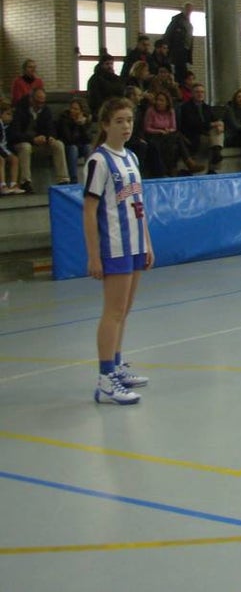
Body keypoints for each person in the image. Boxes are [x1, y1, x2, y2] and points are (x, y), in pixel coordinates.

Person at [84, 97, 154, 405]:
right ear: (105, 125)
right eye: (119, 121)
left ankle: (116, 364)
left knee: (124, 310)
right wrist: (93, 254)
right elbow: (89, 211)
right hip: (114, 245)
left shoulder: (132, 157)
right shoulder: (99, 161)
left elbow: (138, 206)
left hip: (136, 243)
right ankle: (105, 380)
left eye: (129, 120)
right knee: (112, 312)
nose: (126, 126)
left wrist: (147, 242)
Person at [12, 87, 69, 191]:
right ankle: (25, 181)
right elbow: (15, 134)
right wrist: (32, 139)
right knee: (26, 147)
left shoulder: (45, 110)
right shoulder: (20, 110)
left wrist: (50, 137)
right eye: (37, 102)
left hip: (40, 143)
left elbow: (51, 128)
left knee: (58, 144)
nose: (40, 105)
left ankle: (63, 179)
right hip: (23, 143)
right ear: (31, 99)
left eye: (42, 103)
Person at [178, 83, 226, 173]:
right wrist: (212, 124)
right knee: (213, 137)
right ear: (192, 94)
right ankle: (214, 163)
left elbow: (216, 119)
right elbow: (193, 124)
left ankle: (216, 153)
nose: (200, 94)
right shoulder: (186, 107)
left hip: (207, 135)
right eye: (197, 92)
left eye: (202, 92)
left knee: (218, 131)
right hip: (193, 136)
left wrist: (220, 125)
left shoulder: (207, 107)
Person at [56, 98, 93, 184]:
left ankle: (91, 177)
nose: (73, 111)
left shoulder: (85, 120)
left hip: (80, 146)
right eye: (72, 108)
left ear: (81, 111)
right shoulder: (64, 119)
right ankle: (74, 179)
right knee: (73, 149)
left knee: (88, 147)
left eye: (76, 109)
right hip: (68, 146)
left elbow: (88, 139)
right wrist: (75, 124)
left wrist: (82, 126)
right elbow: (69, 139)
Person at [162, 2, 195, 83]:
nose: (189, 11)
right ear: (183, 9)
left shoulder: (188, 22)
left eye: (190, 10)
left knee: (183, 71)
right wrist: (166, 46)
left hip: (184, 51)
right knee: (180, 71)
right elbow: (168, 33)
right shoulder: (177, 20)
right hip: (178, 51)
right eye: (187, 9)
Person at [0, 100, 22, 194]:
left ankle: (13, 184)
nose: (11, 117)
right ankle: (2, 185)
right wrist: (4, 153)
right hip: (1, 150)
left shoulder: (8, 126)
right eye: (8, 114)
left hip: (3, 149)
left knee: (14, 159)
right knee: (1, 159)